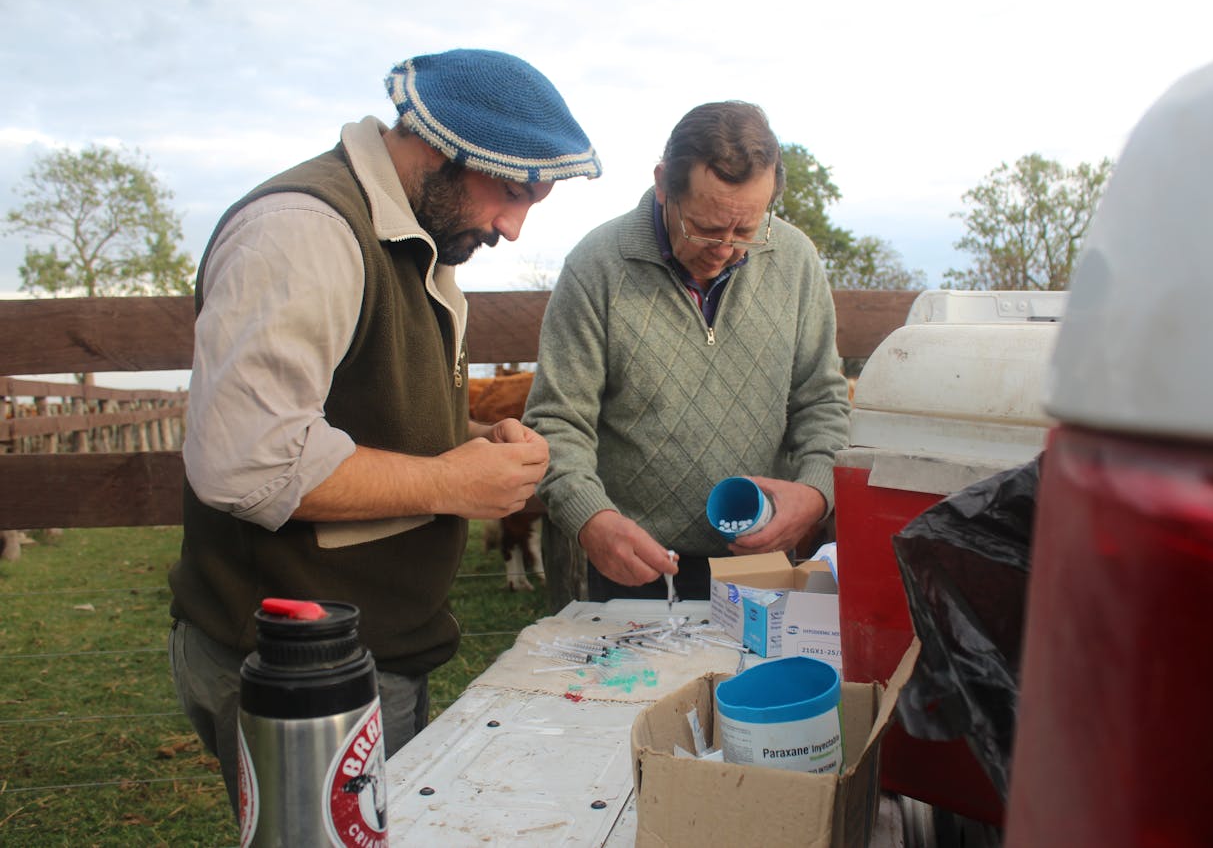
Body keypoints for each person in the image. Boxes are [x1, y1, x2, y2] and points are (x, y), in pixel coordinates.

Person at [167, 49, 601, 811]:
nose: (511, 225)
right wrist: (449, 482)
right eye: (508, 190)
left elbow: (365, 411)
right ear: (441, 146)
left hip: (367, 648)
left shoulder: (415, 237)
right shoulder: (303, 231)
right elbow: (246, 460)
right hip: (293, 668)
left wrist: (470, 438)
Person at [523, 100, 850, 603]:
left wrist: (814, 492)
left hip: (766, 564)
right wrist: (591, 518)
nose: (726, 248)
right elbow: (557, 421)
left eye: (746, 230)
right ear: (662, 184)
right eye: (706, 226)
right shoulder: (597, 266)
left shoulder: (796, 259)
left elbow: (822, 401)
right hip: (637, 567)